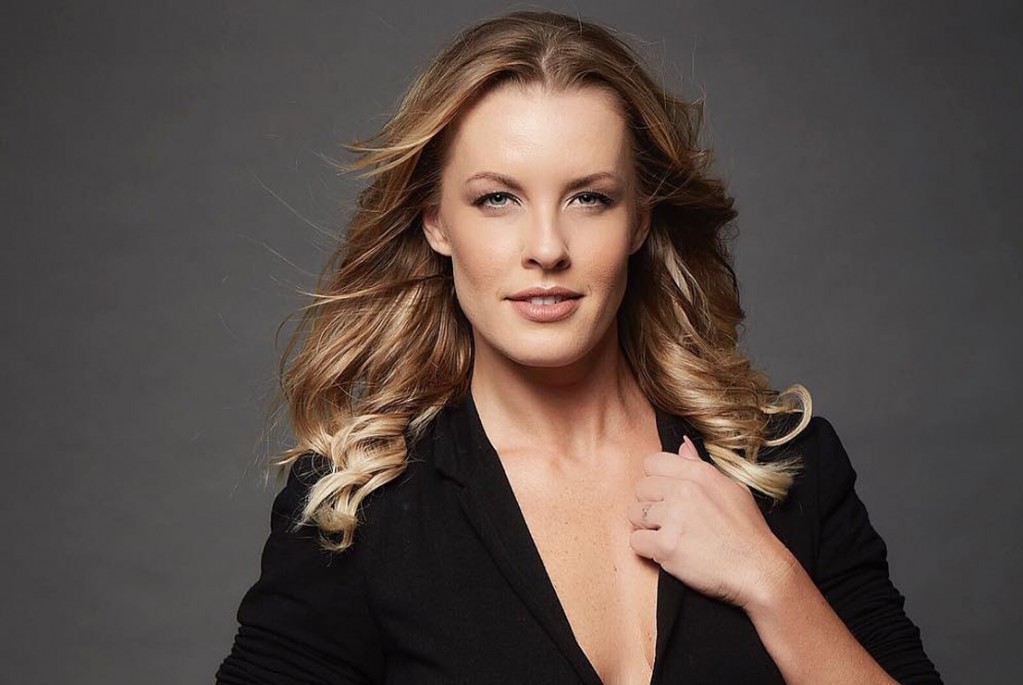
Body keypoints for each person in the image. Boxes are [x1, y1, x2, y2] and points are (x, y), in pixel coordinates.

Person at [216, 9, 941, 685]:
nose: (547, 248)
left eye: (589, 197)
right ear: (436, 222)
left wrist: (769, 580)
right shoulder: (358, 506)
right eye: (497, 198)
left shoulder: (784, 465)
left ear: (639, 219)